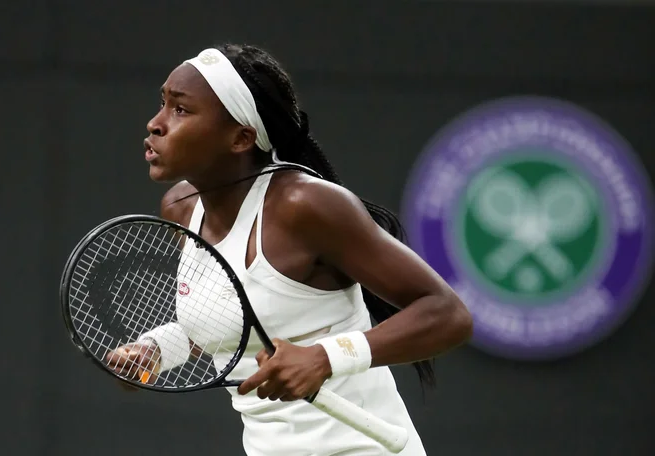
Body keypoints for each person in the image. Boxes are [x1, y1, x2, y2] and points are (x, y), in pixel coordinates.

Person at [107, 43, 473, 455]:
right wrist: (156, 351)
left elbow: (448, 314)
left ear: (241, 138)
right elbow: (229, 319)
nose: (156, 124)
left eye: (181, 110)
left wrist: (324, 358)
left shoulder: (306, 205)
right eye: (163, 104)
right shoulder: (180, 208)